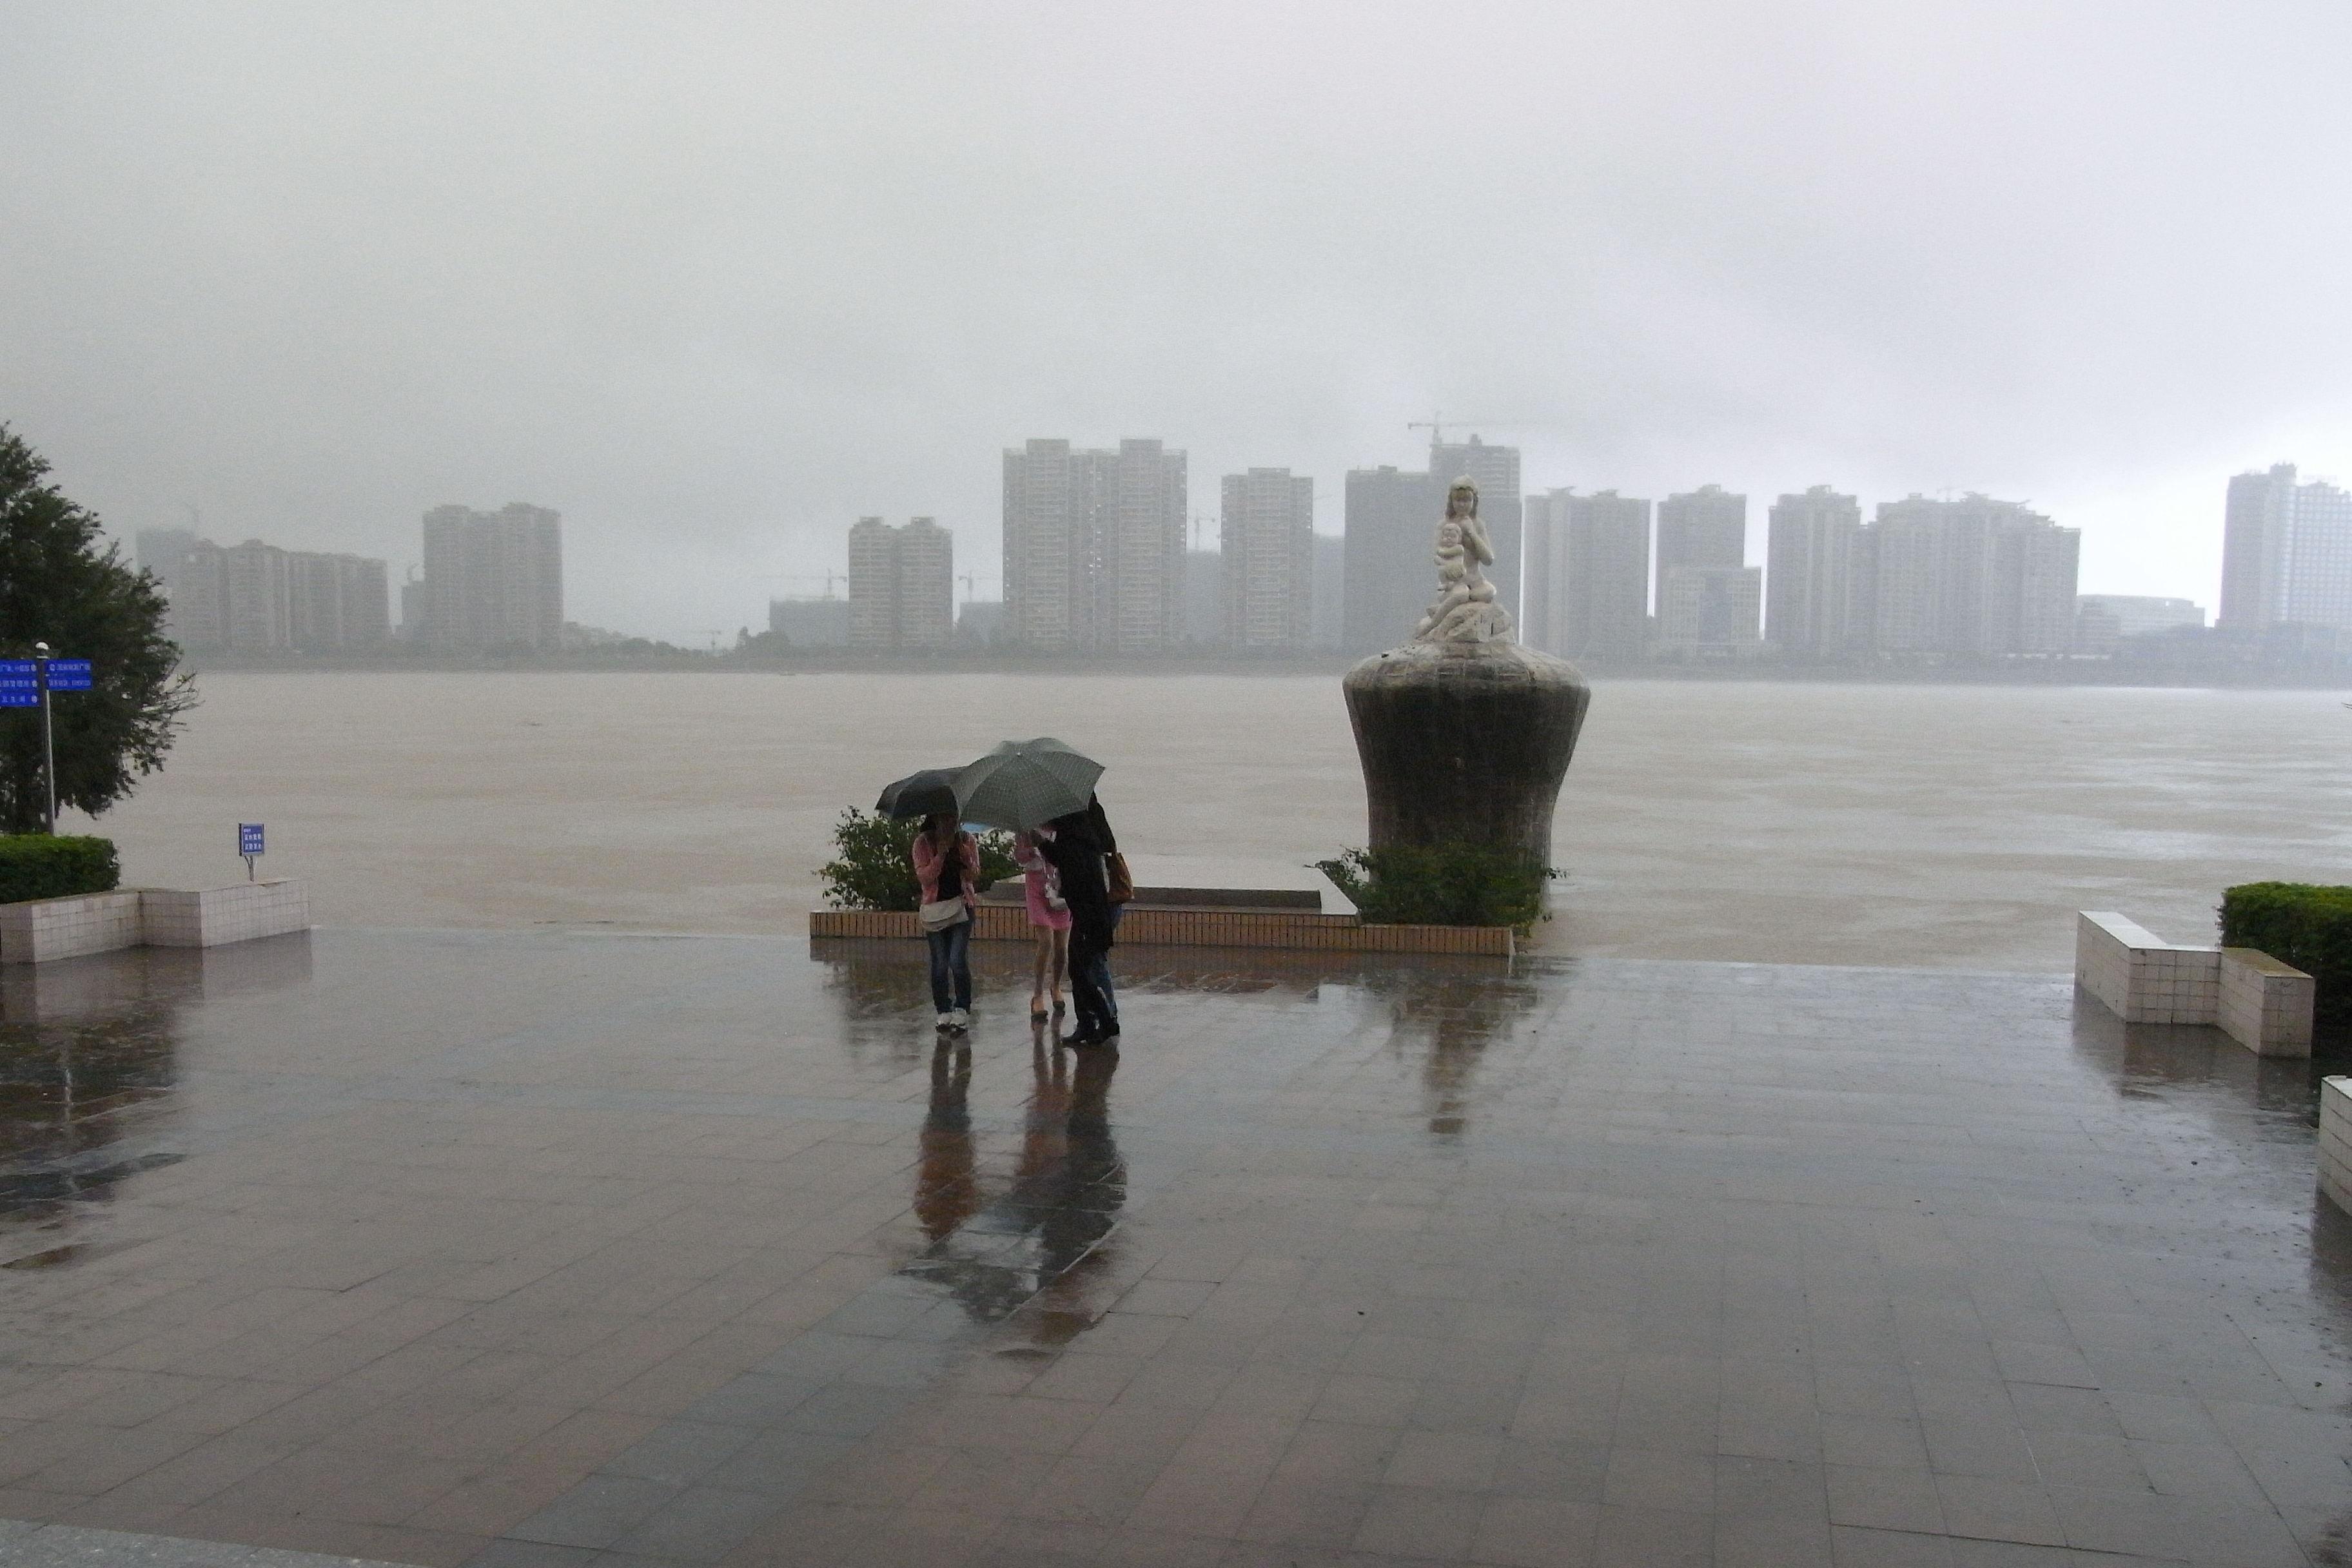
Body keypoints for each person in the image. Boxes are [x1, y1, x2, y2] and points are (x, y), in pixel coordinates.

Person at [1040, 799, 1119, 1046]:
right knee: (1079, 970)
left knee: (1084, 971)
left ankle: (1106, 1022)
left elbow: (1067, 862)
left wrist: (1040, 843)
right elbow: (1064, 859)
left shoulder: (1076, 839)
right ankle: (1089, 1023)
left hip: (1090, 915)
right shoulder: (1079, 834)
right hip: (1088, 913)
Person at [911, 810, 979, 1031]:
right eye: (945, 818)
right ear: (935, 819)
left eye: (954, 819)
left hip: (962, 906)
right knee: (940, 964)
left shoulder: (967, 840)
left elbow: (974, 875)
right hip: (935, 909)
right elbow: (924, 877)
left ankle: (962, 1008)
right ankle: (943, 1009)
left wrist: (966, 857)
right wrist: (939, 855)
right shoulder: (923, 843)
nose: (950, 823)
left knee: (957, 960)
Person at [1013, 825, 1070, 1020]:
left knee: (1062, 946)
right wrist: (1031, 848)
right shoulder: (1026, 829)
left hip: (1058, 884)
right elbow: (1020, 858)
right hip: (1036, 886)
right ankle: (1037, 994)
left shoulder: (1061, 828)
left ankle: (1056, 985)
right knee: (1046, 942)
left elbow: (1068, 854)